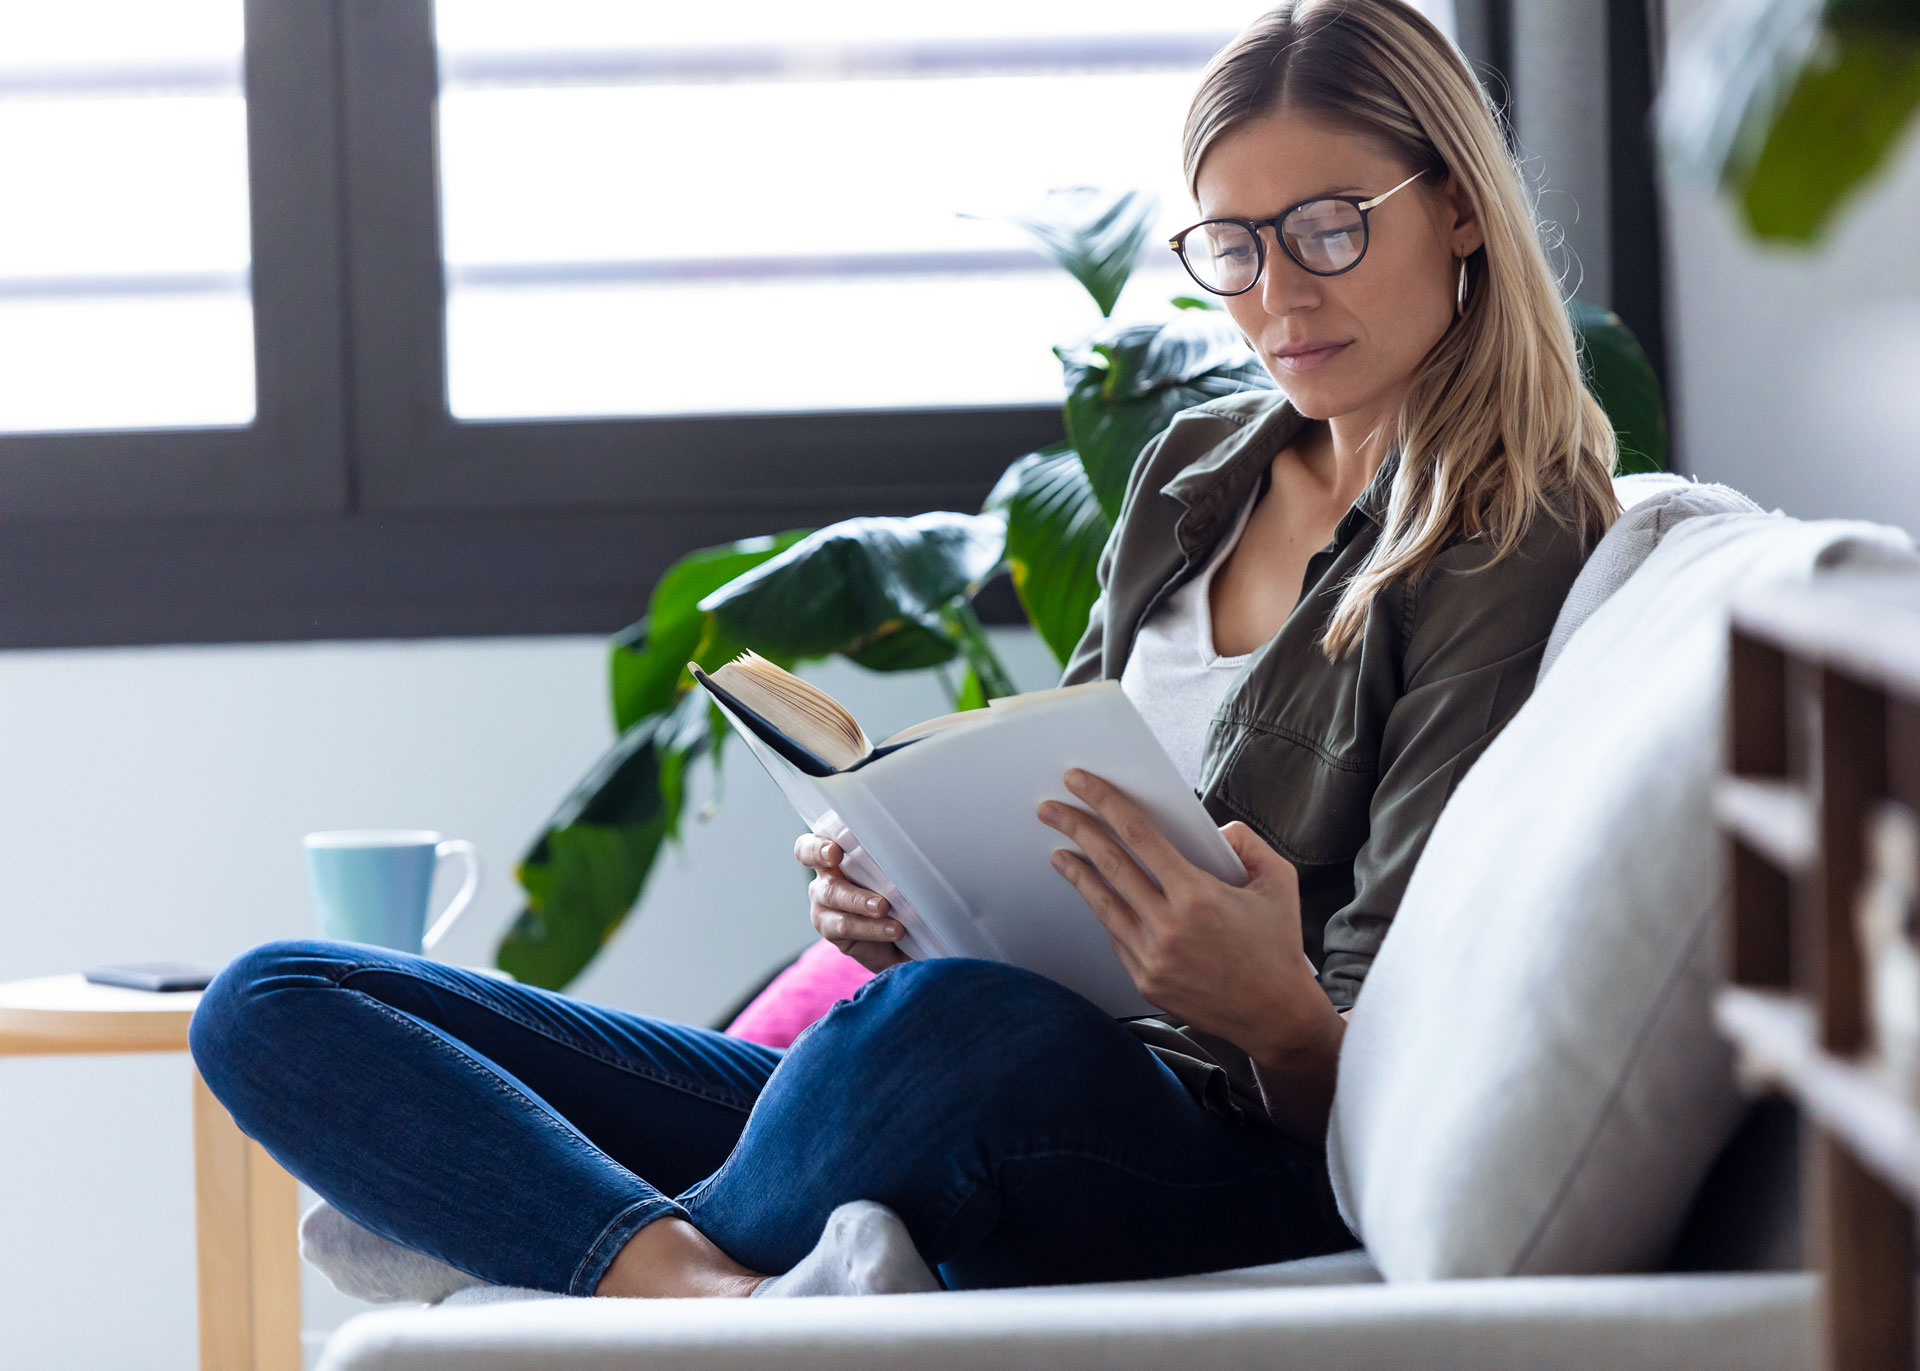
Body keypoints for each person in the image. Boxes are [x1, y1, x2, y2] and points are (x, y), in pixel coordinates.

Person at [189, 0, 1619, 1303]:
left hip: (1216, 1141)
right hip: (1006, 1058)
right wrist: (919, 886)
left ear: (1458, 210)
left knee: (946, 1031)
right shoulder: (1197, 471)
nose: (1277, 299)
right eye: (1232, 248)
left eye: (1330, 228)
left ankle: (532, 1236)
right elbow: (1074, 803)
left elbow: (1395, 1064)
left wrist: (1278, 1012)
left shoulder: (1505, 534)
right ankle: (698, 1288)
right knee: (276, 998)